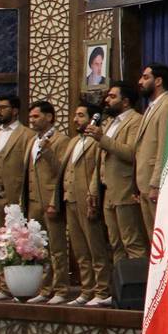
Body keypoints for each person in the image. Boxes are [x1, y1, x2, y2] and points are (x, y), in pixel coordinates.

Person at [86, 82, 145, 307]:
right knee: (116, 244)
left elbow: (131, 153)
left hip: (126, 190)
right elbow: (102, 159)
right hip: (108, 191)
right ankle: (121, 290)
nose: (107, 100)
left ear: (125, 101)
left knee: (132, 243)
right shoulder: (110, 122)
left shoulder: (135, 121)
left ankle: (139, 292)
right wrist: (93, 189)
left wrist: (102, 138)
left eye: (112, 96)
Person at [0, 94, 34, 301]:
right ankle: (3, 286)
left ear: (15, 110)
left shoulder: (26, 134)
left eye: (3, 107)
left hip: (15, 195)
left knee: (16, 241)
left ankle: (19, 286)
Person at [63, 104, 110, 306]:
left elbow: (98, 170)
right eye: (75, 115)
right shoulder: (74, 141)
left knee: (95, 247)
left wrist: (93, 195)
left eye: (81, 115)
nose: (76, 119)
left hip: (88, 199)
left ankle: (102, 290)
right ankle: (86, 289)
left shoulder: (97, 140)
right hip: (70, 198)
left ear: (92, 118)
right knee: (80, 249)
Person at [25, 101, 71, 303]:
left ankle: (61, 289)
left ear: (49, 117)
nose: (32, 120)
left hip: (51, 201)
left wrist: (48, 151)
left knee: (57, 247)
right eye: (31, 117)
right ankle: (44, 289)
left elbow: (63, 172)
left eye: (36, 116)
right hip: (33, 202)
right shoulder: (32, 140)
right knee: (39, 248)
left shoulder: (61, 140)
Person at [134, 63, 168, 236]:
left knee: (164, 236)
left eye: (145, 77)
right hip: (144, 183)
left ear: (158, 81)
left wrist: (156, 184)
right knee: (153, 239)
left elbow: (166, 147)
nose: (140, 81)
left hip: (156, 184)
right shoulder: (151, 107)